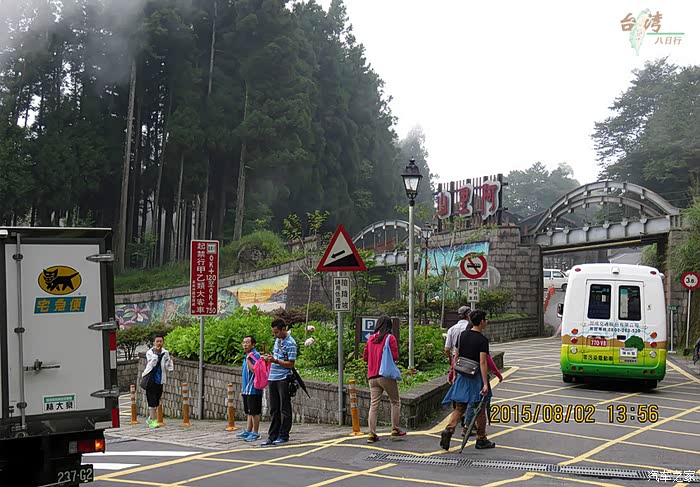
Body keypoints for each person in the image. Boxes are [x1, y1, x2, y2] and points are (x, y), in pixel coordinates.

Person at [440, 309, 496, 451]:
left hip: (462, 376)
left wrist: (454, 373)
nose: (487, 322)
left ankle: (449, 429)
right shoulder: (482, 340)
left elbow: (456, 356)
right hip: (475, 377)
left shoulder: (462, 335)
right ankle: (481, 438)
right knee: (480, 409)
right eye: (486, 319)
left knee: (459, 408)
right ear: (481, 322)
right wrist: (485, 383)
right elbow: (482, 362)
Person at [362, 315, 407, 443]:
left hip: (372, 377)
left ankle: (371, 434)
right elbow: (395, 356)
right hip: (385, 375)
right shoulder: (390, 338)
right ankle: (395, 429)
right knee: (395, 401)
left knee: (374, 405)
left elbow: (365, 357)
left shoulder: (370, 339)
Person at [261, 319, 297, 446]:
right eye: (273, 333)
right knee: (274, 409)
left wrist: (275, 361)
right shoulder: (278, 341)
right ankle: (272, 435)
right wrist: (269, 358)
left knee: (284, 408)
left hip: (283, 378)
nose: (275, 335)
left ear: (283, 329)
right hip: (273, 377)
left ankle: (283, 435)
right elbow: (276, 357)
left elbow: (291, 364)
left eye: (276, 332)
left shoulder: (291, 343)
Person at [141, 334, 174, 429]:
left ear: (163, 342)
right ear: (154, 343)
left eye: (161, 341)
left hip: (160, 380)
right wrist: (155, 354)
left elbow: (169, 367)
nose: (159, 343)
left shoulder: (165, 352)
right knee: (152, 401)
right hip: (150, 380)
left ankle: (150, 418)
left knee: (156, 401)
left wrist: (170, 361)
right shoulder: (149, 353)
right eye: (157, 341)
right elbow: (152, 364)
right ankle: (153, 422)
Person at [236, 335, 263, 442]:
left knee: (254, 412)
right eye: (243, 342)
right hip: (246, 388)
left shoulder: (255, 356)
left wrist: (248, 361)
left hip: (254, 389)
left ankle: (255, 433)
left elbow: (255, 371)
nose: (245, 345)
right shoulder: (247, 355)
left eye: (247, 342)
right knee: (249, 411)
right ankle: (248, 430)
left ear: (253, 345)